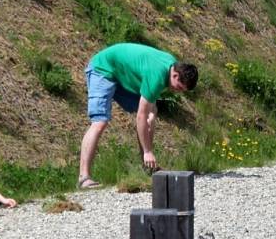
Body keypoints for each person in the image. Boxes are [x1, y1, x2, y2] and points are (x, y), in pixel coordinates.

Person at [78, 42, 198, 188]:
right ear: (175, 74)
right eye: (178, 87)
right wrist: (148, 150)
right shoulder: (158, 76)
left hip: (121, 75)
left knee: (151, 114)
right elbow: (140, 116)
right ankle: (84, 178)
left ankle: (147, 167)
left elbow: (147, 111)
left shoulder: (172, 66)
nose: (177, 91)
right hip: (102, 69)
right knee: (100, 122)